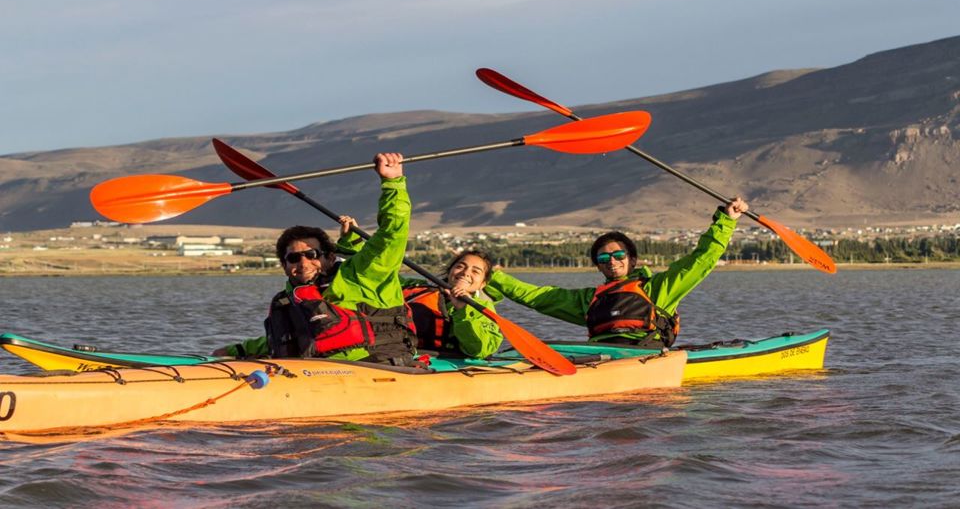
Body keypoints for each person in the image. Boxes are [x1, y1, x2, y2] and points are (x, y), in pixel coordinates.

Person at [213, 152, 419, 366]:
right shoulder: (289, 299)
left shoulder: (364, 274)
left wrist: (392, 182)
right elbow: (289, 339)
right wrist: (235, 350)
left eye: (312, 255)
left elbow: (392, 233)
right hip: (316, 374)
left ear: (330, 257)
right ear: (284, 266)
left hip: (380, 368)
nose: (303, 264)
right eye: (293, 258)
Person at [484, 198, 749, 349]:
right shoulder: (589, 300)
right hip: (599, 357)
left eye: (619, 255)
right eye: (603, 258)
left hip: (644, 356)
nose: (612, 262)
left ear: (632, 260)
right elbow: (537, 297)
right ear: (598, 266)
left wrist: (725, 220)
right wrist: (493, 277)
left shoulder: (658, 289)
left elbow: (701, 260)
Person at [335, 216, 503, 359]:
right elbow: (373, 275)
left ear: (483, 283)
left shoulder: (482, 308)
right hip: (400, 357)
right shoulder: (420, 288)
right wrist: (352, 241)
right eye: (460, 266)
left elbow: (480, 350)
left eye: (476, 271)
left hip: (445, 363)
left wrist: (462, 310)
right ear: (451, 270)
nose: (466, 273)